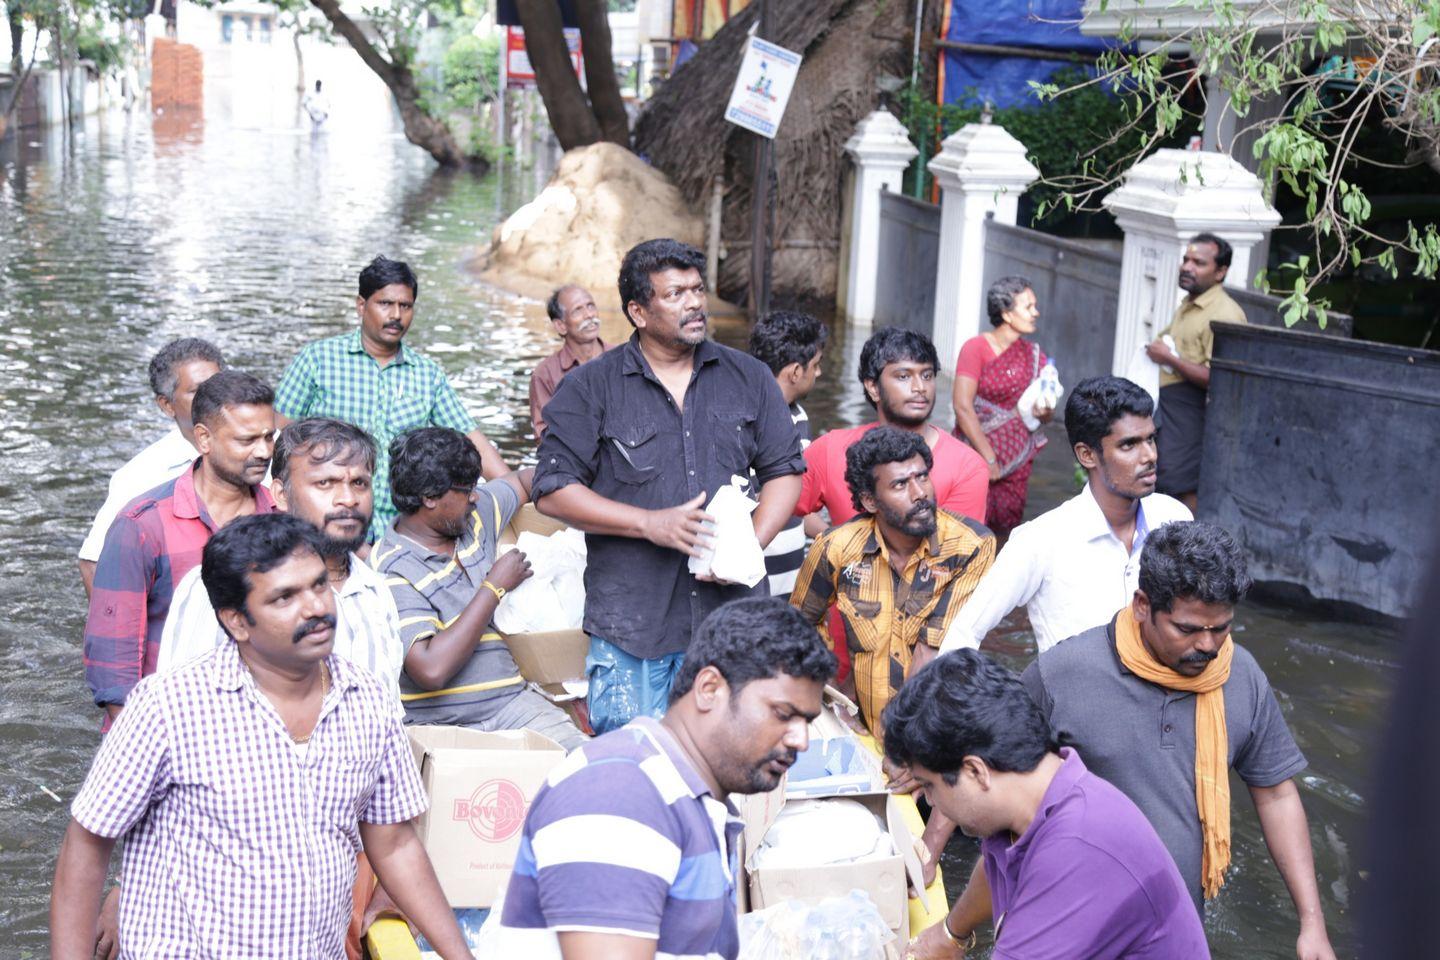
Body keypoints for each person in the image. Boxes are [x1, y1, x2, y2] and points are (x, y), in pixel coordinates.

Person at [51, 514, 473, 960]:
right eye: (284, 597)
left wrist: (459, 956)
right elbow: (87, 845)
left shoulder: (367, 699)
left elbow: (395, 843)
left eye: (317, 585)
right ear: (237, 622)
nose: (315, 608)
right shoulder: (169, 705)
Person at [1020, 521, 1337, 959]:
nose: (1207, 646)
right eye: (1187, 629)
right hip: (1070, 922)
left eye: (1221, 628)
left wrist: (1312, 924)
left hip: (1176, 929)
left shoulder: (1240, 676)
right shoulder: (1060, 675)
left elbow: (1277, 795)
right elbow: (997, 779)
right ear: (1142, 606)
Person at [532, 239, 805, 735]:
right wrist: (648, 524)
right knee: (631, 771)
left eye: (697, 289)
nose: (695, 302)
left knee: (735, 768)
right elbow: (551, 489)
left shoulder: (750, 377)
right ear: (638, 311)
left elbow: (784, 470)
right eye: (675, 293)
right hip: (633, 629)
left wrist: (747, 545)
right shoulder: (591, 387)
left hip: (736, 624)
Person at [498, 597, 835, 959]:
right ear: (709, 689)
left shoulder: (685, 795)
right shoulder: (620, 794)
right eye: (784, 714)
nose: (801, 740)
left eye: (806, 721)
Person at [885, 649, 1209, 960]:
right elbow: (995, 864)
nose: (929, 800)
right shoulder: (1034, 801)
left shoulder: (1078, 846)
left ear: (975, 771)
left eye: (929, 785)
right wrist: (951, 933)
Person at [790, 426, 994, 876]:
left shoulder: (971, 547)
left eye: (923, 476)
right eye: (900, 485)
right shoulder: (836, 549)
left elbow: (930, 652)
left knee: (934, 860)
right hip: (867, 734)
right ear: (868, 501)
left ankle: (930, 856)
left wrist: (908, 749)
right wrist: (832, 698)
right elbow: (797, 627)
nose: (921, 493)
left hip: (943, 736)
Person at [940, 376, 1191, 656]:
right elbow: (963, 633)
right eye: (1129, 445)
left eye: (1151, 439)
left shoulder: (1173, 517)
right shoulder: (1041, 541)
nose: (1150, 456)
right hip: (1073, 697)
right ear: (1087, 455)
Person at [83, 370, 279, 724]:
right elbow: (113, 660)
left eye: (269, 437)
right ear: (204, 438)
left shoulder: (281, 521)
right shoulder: (142, 526)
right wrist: (138, 745)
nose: (263, 451)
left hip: (259, 729)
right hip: (167, 724)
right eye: (247, 439)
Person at [371, 427, 585, 749]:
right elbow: (430, 669)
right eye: (466, 489)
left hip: (512, 704)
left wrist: (585, 493)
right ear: (429, 497)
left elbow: (524, 480)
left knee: (587, 766)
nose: (475, 496)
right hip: (440, 725)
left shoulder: (474, 517)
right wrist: (493, 588)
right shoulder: (392, 568)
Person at [157, 418, 404, 696]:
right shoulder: (223, 586)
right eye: (325, 483)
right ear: (280, 495)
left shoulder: (376, 592)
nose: (348, 499)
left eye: (359, 483)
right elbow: (178, 706)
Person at [273, 255, 508, 538]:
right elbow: (278, 440)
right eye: (385, 304)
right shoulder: (317, 360)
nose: (396, 315)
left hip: (400, 530)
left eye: (405, 306)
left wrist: (514, 488)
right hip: (329, 524)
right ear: (362, 306)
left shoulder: (426, 374)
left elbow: (472, 439)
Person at [795, 326, 988, 535]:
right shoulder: (830, 450)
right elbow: (780, 506)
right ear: (874, 388)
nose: (920, 387)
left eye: (927, 375)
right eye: (904, 376)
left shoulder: (967, 467)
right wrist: (834, 540)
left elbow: (954, 555)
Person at [79, 338, 224, 596]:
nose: (214, 398)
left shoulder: (267, 446)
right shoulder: (141, 475)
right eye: (196, 391)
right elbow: (94, 564)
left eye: (219, 385)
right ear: (167, 405)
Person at [1145, 233, 1247, 512]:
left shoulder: (1225, 313)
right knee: (1161, 481)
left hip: (1194, 412)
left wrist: (1169, 359)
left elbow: (1222, 379)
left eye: (1198, 262)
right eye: (1186, 260)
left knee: (1182, 485)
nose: (1187, 267)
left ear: (1220, 272)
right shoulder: (1188, 304)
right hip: (1169, 408)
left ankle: (1188, 553)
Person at [950, 276, 1054, 541]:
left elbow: (1045, 408)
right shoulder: (976, 349)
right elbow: (962, 406)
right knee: (965, 527)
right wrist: (988, 457)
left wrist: (1045, 412)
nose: (1035, 313)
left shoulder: (1033, 355)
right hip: (974, 453)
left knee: (1006, 528)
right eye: (1028, 307)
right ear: (1007, 313)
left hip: (1017, 458)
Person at [747, 309, 828, 597]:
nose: (818, 373)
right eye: (815, 365)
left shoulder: (798, 416)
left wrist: (832, 537)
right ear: (795, 372)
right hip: (754, 580)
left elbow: (793, 502)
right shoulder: (745, 420)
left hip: (790, 581)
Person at [529, 284, 610, 438]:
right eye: (577, 310)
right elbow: (545, 436)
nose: (589, 315)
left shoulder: (623, 357)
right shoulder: (545, 374)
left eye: (590, 306)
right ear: (560, 326)